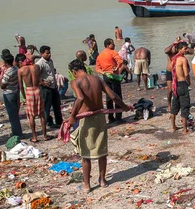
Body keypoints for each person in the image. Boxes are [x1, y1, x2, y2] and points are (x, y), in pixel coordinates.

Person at [67, 59, 132, 191]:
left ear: (74, 72)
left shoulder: (76, 81)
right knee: (102, 152)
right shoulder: (97, 79)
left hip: (87, 119)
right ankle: (102, 180)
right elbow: (113, 96)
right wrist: (124, 107)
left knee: (86, 154)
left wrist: (72, 116)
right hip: (100, 117)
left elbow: (80, 98)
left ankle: (86, 185)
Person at [17, 54, 48, 142]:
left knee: (31, 115)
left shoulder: (20, 70)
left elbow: (21, 86)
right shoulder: (36, 67)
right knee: (42, 114)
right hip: (37, 89)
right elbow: (39, 79)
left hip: (29, 91)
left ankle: (34, 136)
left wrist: (24, 97)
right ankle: (45, 135)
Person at [96, 38, 125, 123]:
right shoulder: (113, 52)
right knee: (117, 95)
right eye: (113, 44)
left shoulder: (100, 55)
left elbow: (97, 68)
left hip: (106, 76)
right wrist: (116, 68)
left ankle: (110, 117)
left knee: (109, 96)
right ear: (108, 45)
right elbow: (120, 61)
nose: (114, 45)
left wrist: (104, 72)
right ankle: (118, 117)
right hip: (114, 75)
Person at [37, 46, 63, 128]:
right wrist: (43, 83)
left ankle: (59, 122)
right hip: (46, 88)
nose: (49, 54)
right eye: (47, 53)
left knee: (57, 105)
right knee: (46, 107)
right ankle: (48, 122)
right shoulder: (39, 64)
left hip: (53, 86)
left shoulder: (50, 61)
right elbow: (35, 76)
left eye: (49, 53)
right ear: (41, 54)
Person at [0, 53, 23, 139]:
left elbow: (2, 85)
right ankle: (18, 132)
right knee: (15, 114)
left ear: (5, 62)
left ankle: (17, 133)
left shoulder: (8, 72)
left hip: (9, 93)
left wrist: (1, 78)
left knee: (12, 115)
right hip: (15, 91)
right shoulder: (16, 68)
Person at [170, 42, 191, 133]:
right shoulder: (183, 59)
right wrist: (189, 82)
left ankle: (173, 126)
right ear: (180, 49)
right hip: (182, 84)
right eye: (185, 48)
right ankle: (185, 129)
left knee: (174, 106)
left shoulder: (174, 59)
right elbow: (186, 74)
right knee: (184, 106)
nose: (186, 50)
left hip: (175, 84)